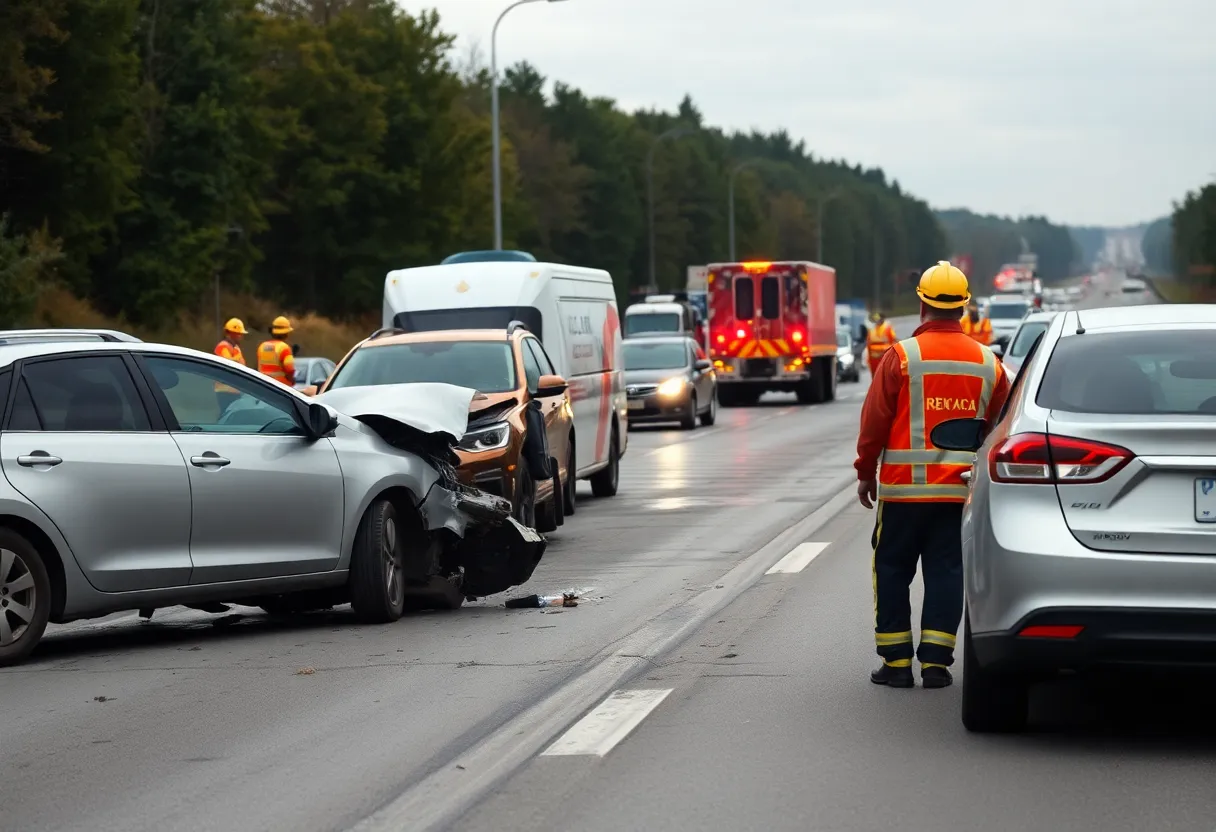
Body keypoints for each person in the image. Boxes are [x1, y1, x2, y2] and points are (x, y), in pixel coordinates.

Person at [854, 261, 1011, 690]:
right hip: (958, 495)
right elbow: (998, 429)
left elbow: (874, 423)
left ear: (922, 303)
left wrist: (865, 471)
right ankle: (937, 664)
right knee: (946, 573)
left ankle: (897, 664)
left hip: (903, 495)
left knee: (890, 570)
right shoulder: (990, 364)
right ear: (963, 307)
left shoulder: (900, 357)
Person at [213, 318, 248, 412]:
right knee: (227, 416)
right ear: (231, 333)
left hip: (234, 390)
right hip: (225, 391)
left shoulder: (235, 348)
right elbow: (229, 363)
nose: (241, 336)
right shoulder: (223, 346)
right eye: (239, 333)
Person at [257, 316, 297, 387]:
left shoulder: (262, 346)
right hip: (280, 389)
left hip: (263, 386)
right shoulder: (284, 348)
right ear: (286, 333)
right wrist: (292, 380)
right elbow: (290, 370)